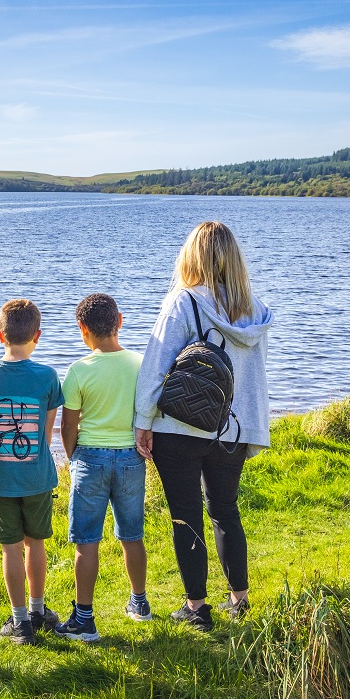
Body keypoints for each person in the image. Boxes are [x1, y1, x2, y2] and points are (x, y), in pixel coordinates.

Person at [133, 221, 273, 633]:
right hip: (232, 429)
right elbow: (255, 377)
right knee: (226, 511)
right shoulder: (254, 309)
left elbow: (156, 364)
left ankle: (196, 607)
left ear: (191, 256)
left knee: (186, 515)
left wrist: (143, 421)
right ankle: (239, 599)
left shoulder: (184, 302)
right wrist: (253, 427)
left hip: (181, 425)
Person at [0, 299, 64, 646]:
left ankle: (20, 622)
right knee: (35, 543)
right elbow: (48, 433)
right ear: (37, 335)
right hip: (37, 475)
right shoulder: (48, 376)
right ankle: (38, 611)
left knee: (9, 549)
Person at [55, 293, 149, 642]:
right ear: (119, 321)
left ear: (83, 330)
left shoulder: (78, 370)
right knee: (131, 535)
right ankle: (139, 603)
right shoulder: (140, 364)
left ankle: (84, 618)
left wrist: (72, 455)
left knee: (86, 542)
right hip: (130, 457)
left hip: (90, 458)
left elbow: (68, 426)